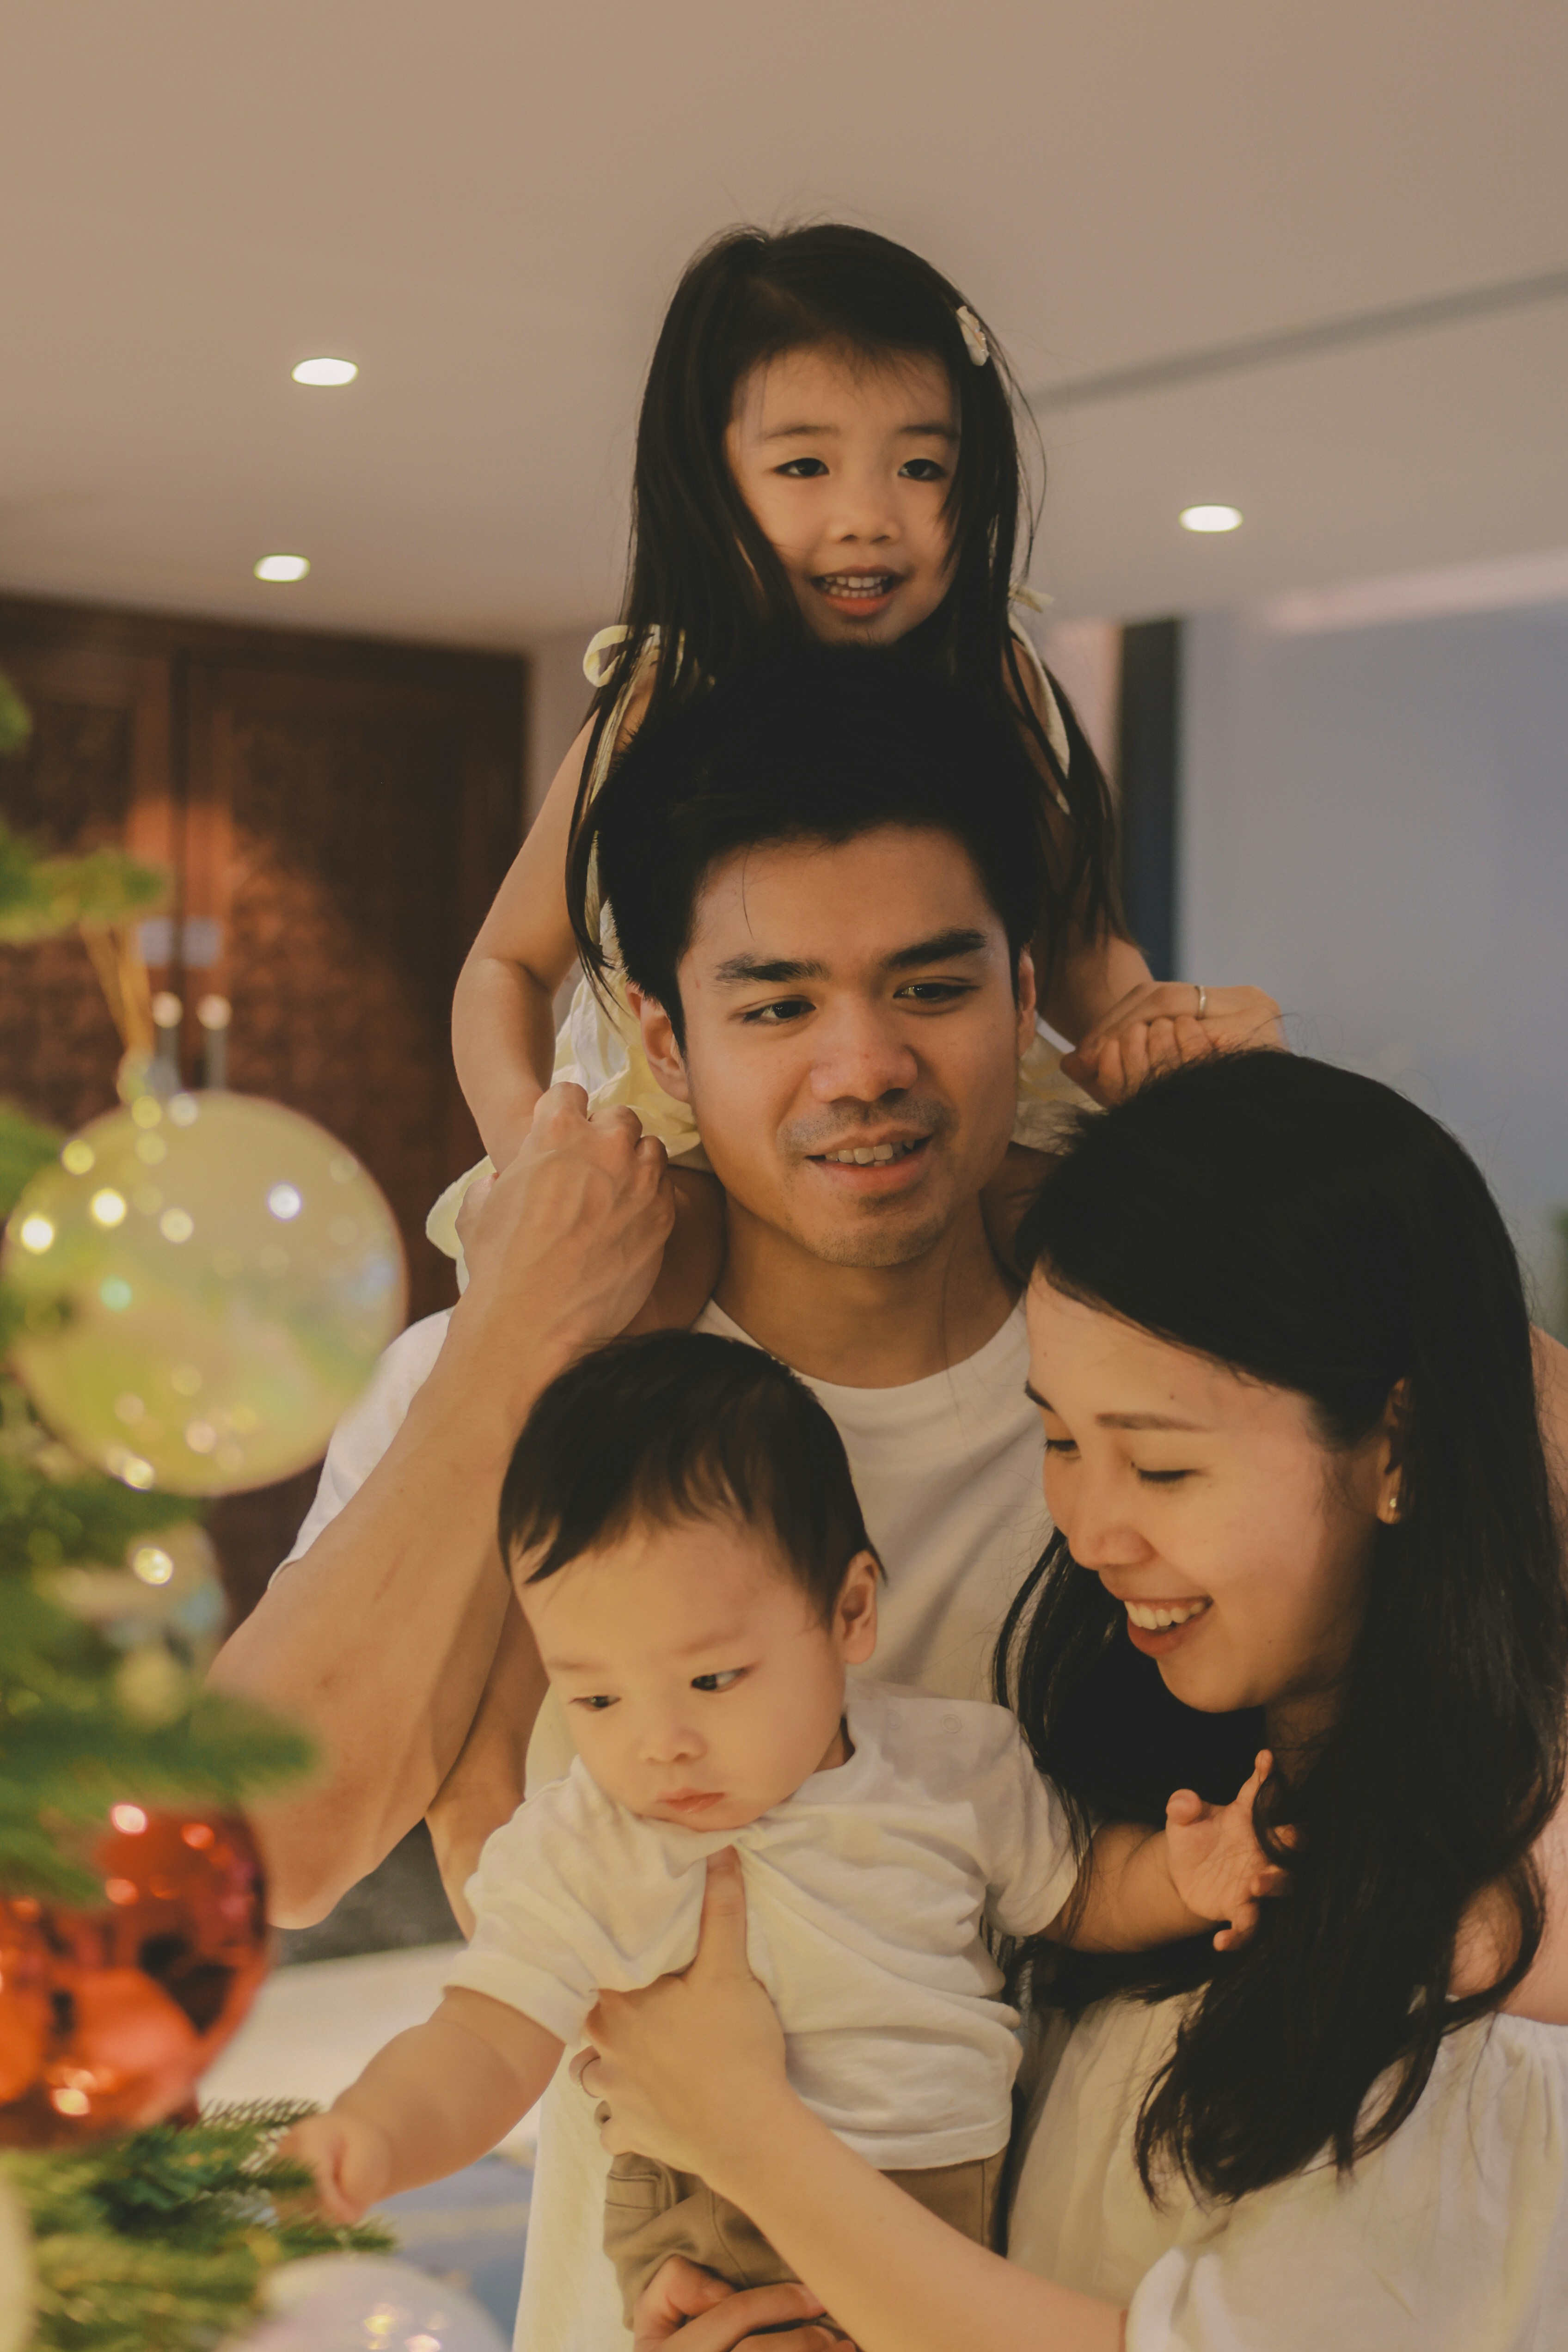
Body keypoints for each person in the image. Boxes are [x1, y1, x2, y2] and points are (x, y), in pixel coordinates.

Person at [211, 645, 1076, 2350]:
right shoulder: (533, 1385)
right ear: (667, 1043)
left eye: (929, 985)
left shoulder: (1149, 1389)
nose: (861, 1065)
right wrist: (520, 1335)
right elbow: (256, 1849)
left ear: (1021, 989)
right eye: (776, 1004)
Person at [580, 1050, 1568, 2352]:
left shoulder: (1498, 1927)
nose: (1093, 1529)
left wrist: (750, 2140)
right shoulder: (1148, 1819)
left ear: (1397, 1442)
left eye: (1159, 1466)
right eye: (1057, 1440)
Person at [280, 1330, 1282, 2331]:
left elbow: (1077, 1892)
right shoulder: (588, 1844)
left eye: (712, 1680)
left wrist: (1182, 1874)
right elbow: (484, 2041)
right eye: (594, 1698)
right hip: (715, 2220)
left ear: (850, 1612)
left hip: (947, 2209)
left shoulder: (950, 1765)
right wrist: (375, 2133)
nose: (660, 1743)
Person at [435, 220, 1280, 1281]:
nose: (869, 518)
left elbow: (1076, 945)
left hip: (951, 1118)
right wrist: (531, 1148)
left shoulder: (993, 674)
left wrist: (1142, 1037)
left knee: (1101, 1242)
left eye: (922, 466)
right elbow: (505, 964)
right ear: (708, 476)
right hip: (699, 1139)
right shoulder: (663, 697)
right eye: (803, 465)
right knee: (661, 1276)